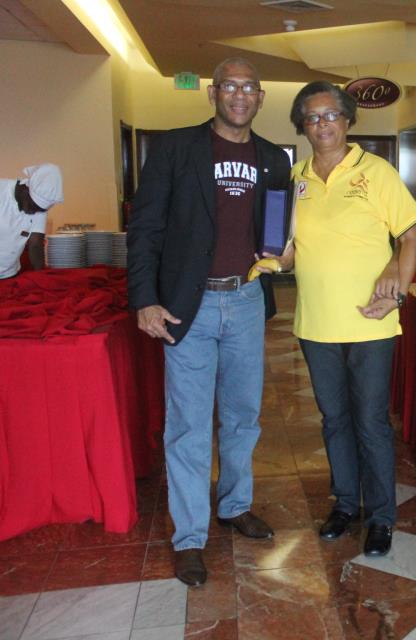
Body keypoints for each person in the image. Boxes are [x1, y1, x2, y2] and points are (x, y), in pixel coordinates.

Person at [127, 57, 291, 586]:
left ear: (260, 97)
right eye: (230, 86)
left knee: (243, 416)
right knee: (189, 426)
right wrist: (144, 298)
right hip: (186, 306)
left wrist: (283, 252)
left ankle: (235, 505)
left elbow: (279, 229)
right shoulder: (175, 149)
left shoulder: (274, 159)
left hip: (246, 301)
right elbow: (146, 229)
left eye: (249, 88)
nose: (240, 95)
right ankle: (190, 537)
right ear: (213, 93)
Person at [280, 81, 416, 557]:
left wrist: (396, 285)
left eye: (331, 115)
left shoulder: (376, 172)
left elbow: (411, 236)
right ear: (302, 125)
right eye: (312, 117)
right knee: (334, 419)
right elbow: (288, 248)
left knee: (370, 421)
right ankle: (345, 503)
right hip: (316, 322)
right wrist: (272, 256)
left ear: (347, 120)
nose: (322, 124)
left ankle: (381, 516)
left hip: (370, 321)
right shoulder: (296, 178)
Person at [0, 164, 62, 278]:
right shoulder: (2, 190)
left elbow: (35, 244)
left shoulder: (37, 207)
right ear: (26, 189)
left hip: (10, 274)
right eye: (33, 207)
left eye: (40, 210)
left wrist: (40, 278)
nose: (35, 212)